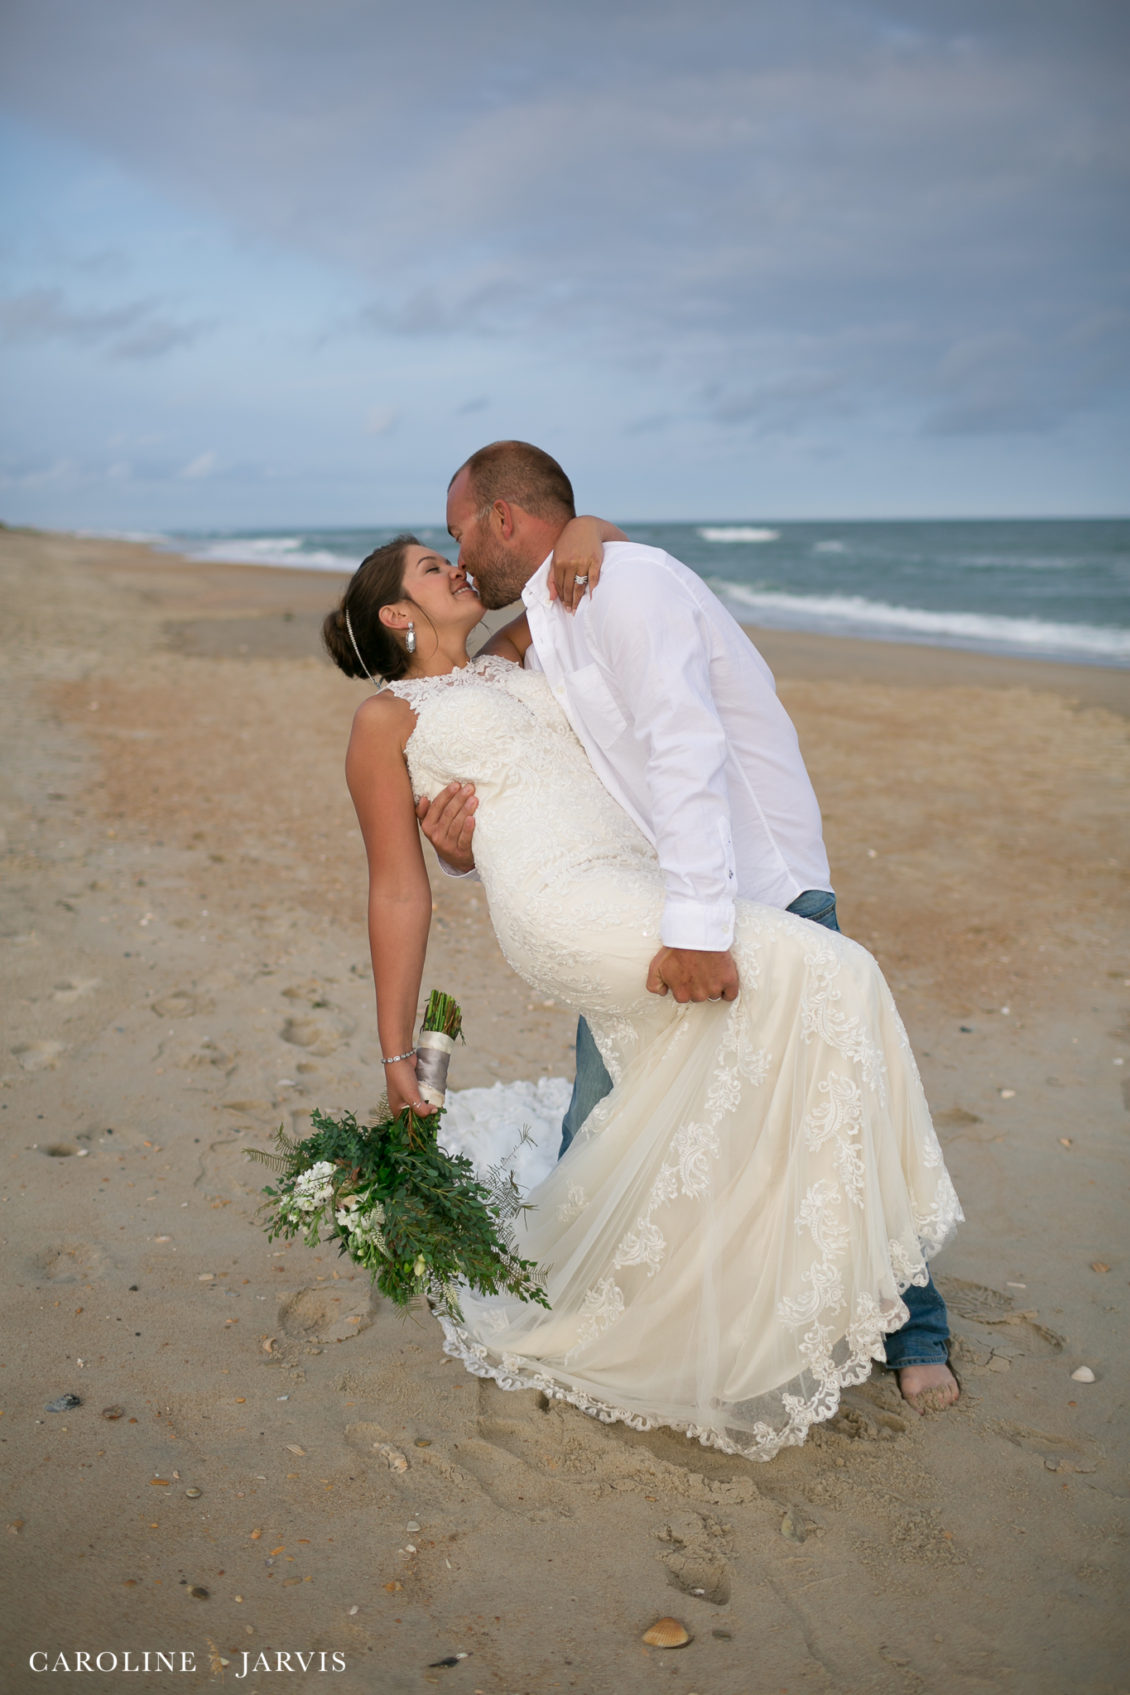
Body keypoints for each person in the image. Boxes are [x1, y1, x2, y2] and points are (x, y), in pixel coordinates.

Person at [321, 524, 962, 1461]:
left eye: (455, 548)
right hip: (567, 906)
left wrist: (587, 528)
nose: (457, 566)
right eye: (432, 565)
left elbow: (565, 556)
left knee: (707, 1071)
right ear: (396, 613)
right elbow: (398, 886)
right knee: (837, 973)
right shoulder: (386, 721)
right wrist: (397, 1057)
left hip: (640, 879)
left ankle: (782, 1288)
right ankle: (893, 1306)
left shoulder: (505, 660)